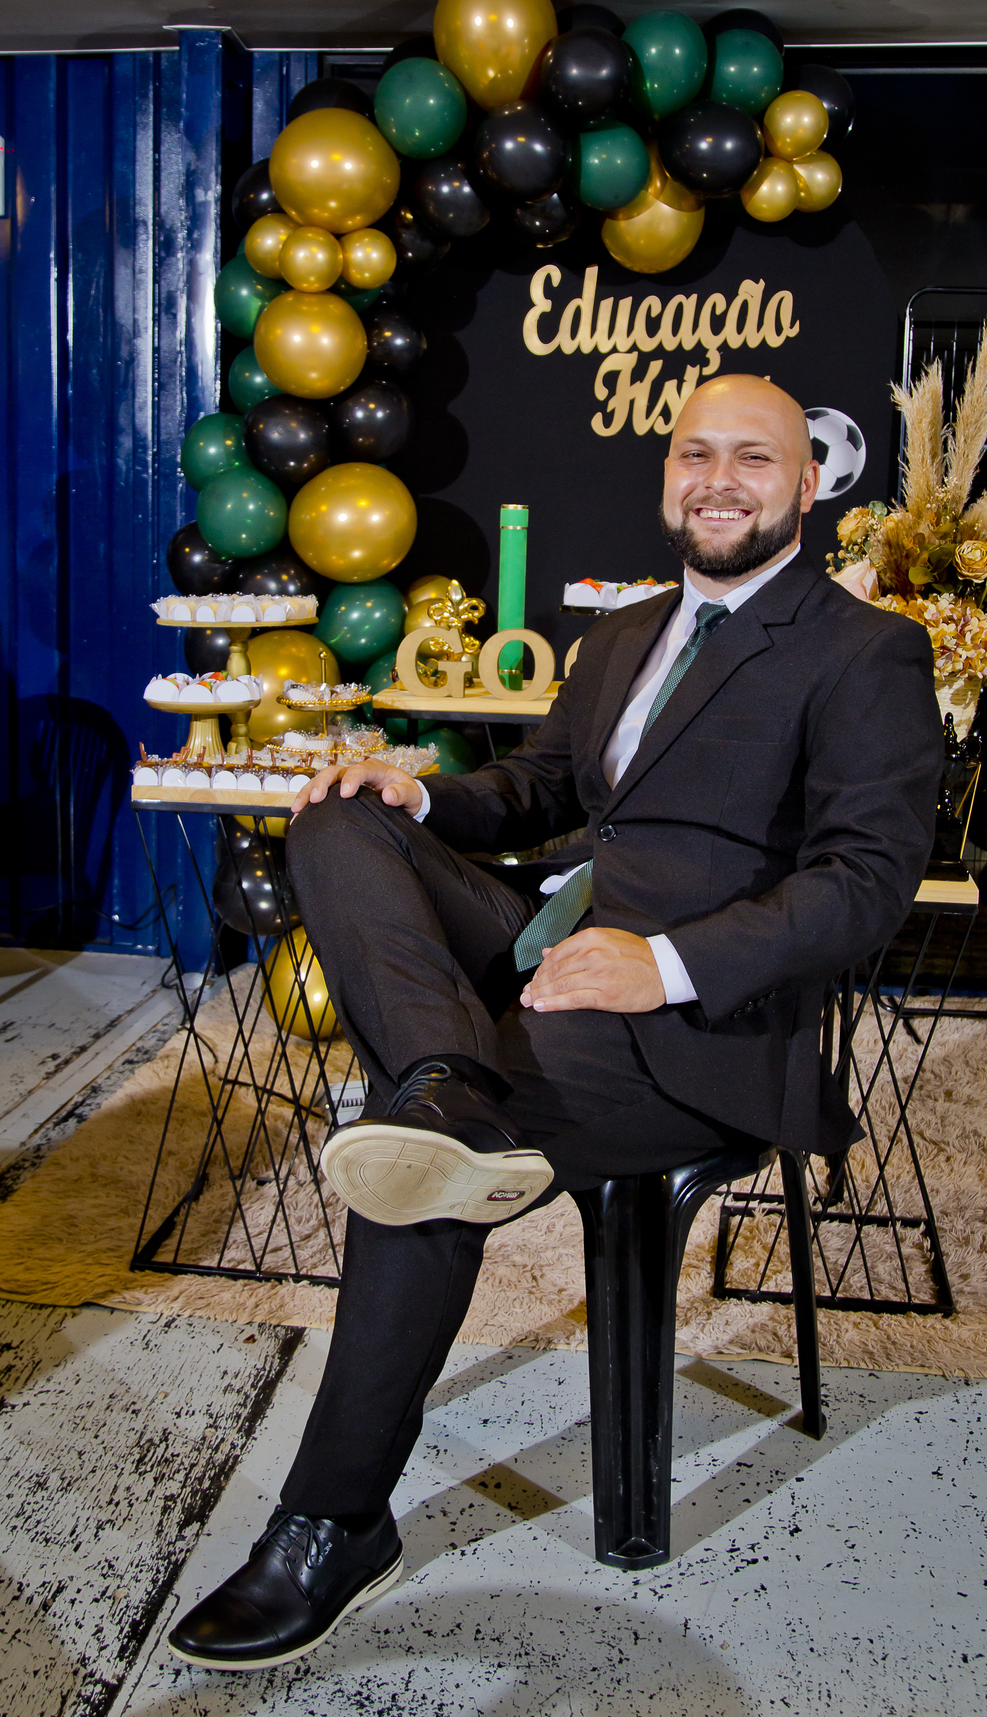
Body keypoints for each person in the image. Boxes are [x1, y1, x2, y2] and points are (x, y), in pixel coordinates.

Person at [168, 374, 943, 1671]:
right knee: (340, 820)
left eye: (754, 459)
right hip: (555, 945)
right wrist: (420, 795)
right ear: (667, 474)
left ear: (809, 484)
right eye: (695, 453)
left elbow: (866, 885)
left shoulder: (864, 650)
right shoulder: (627, 629)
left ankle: (332, 1523)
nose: (719, 481)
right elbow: (538, 790)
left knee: (413, 1167)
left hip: (696, 1024)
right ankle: (446, 1077)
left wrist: (665, 965)